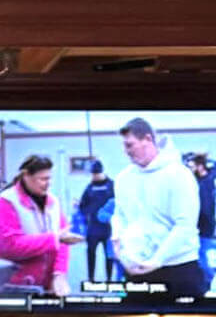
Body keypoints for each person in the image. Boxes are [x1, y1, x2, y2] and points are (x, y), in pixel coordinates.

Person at [110, 118, 206, 298]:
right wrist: (117, 241)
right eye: (124, 146)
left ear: (147, 139)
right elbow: (120, 215)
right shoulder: (124, 178)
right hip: (137, 271)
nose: (126, 152)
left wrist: (157, 260)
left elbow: (185, 225)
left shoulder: (179, 175)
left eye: (130, 145)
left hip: (178, 270)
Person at [0, 154, 80, 296]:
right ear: (26, 176)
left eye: (49, 178)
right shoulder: (6, 202)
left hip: (46, 288)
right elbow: (10, 246)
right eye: (43, 179)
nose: (48, 184)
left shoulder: (53, 202)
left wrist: (59, 274)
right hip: (13, 288)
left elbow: (63, 241)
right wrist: (54, 239)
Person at [75, 158, 117, 284]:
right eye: (92, 174)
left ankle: (109, 280)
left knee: (109, 255)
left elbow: (120, 204)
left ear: (101, 172)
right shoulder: (89, 188)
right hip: (93, 228)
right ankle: (91, 279)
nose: (94, 176)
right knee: (90, 253)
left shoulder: (112, 186)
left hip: (109, 228)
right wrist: (85, 212)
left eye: (96, 174)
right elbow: (82, 206)